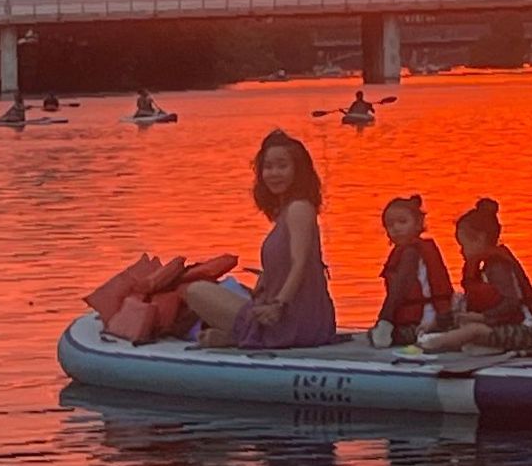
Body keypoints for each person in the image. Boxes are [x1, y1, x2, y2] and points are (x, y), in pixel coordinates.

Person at [182, 130, 336, 348]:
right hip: (285, 310)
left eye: (282, 166)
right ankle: (236, 336)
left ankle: (237, 337)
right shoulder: (286, 212)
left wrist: (279, 305)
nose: (274, 173)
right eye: (268, 167)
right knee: (226, 290)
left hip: (294, 319)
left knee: (196, 291)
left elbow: (299, 263)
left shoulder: (300, 208)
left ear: (298, 170)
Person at [421, 198, 532, 353]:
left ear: (480, 239)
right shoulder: (482, 269)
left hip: (525, 332)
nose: (461, 251)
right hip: (498, 326)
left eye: (463, 245)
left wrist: (482, 318)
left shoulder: (498, 267)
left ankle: (431, 344)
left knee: (474, 330)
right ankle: (479, 345)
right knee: (462, 322)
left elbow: (511, 303)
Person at [369, 194, 455, 348]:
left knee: (375, 336)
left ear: (418, 224)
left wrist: (385, 320)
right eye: (390, 224)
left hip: (423, 319)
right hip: (436, 316)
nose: (396, 228)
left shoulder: (410, 253)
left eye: (402, 222)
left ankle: (428, 335)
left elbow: (399, 289)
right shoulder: (420, 249)